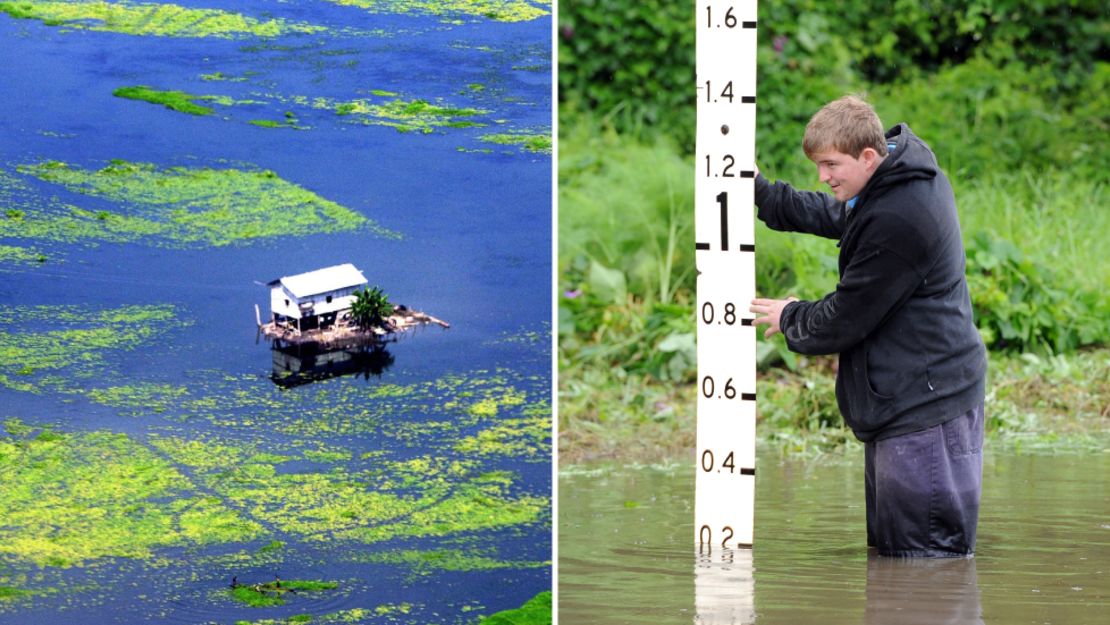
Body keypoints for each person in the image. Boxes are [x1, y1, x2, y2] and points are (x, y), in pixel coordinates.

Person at [748, 95, 987, 557]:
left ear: (868, 156)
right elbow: (842, 215)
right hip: (908, 400)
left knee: (925, 562)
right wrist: (764, 193)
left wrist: (790, 316)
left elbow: (848, 314)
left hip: (925, 409)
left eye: (829, 164)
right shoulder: (892, 181)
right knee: (896, 558)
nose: (822, 176)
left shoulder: (903, 215)